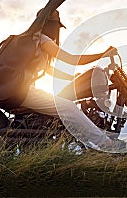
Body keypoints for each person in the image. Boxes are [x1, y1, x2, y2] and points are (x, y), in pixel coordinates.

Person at [20, 9, 118, 149]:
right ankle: (105, 143)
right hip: (23, 91)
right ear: (50, 25)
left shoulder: (35, 40)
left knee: (64, 105)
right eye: (56, 26)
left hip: (22, 90)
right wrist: (102, 54)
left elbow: (49, 70)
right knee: (67, 107)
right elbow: (71, 59)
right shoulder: (42, 39)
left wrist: (72, 77)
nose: (57, 31)